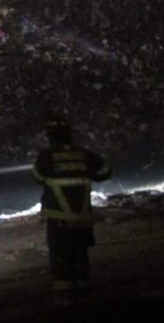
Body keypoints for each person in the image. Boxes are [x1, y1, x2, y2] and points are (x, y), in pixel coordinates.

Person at [31, 119, 111, 299]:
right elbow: (105, 172)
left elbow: (36, 177)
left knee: (60, 257)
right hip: (82, 218)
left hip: (58, 220)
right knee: (80, 255)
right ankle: (84, 295)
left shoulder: (46, 156)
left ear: (51, 137)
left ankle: (64, 299)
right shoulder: (85, 154)